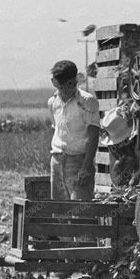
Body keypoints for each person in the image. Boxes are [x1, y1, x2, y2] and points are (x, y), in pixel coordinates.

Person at [48, 59, 100, 200]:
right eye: (61, 86)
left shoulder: (87, 101)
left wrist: (86, 167)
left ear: (75, 81)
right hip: (57, 160)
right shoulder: (53, 102)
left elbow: (93, 136)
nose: (66, 89)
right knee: (59, 210)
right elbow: (56, 129)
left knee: (81, 211)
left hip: (78, 161)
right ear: (55, 83)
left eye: (70, 84)